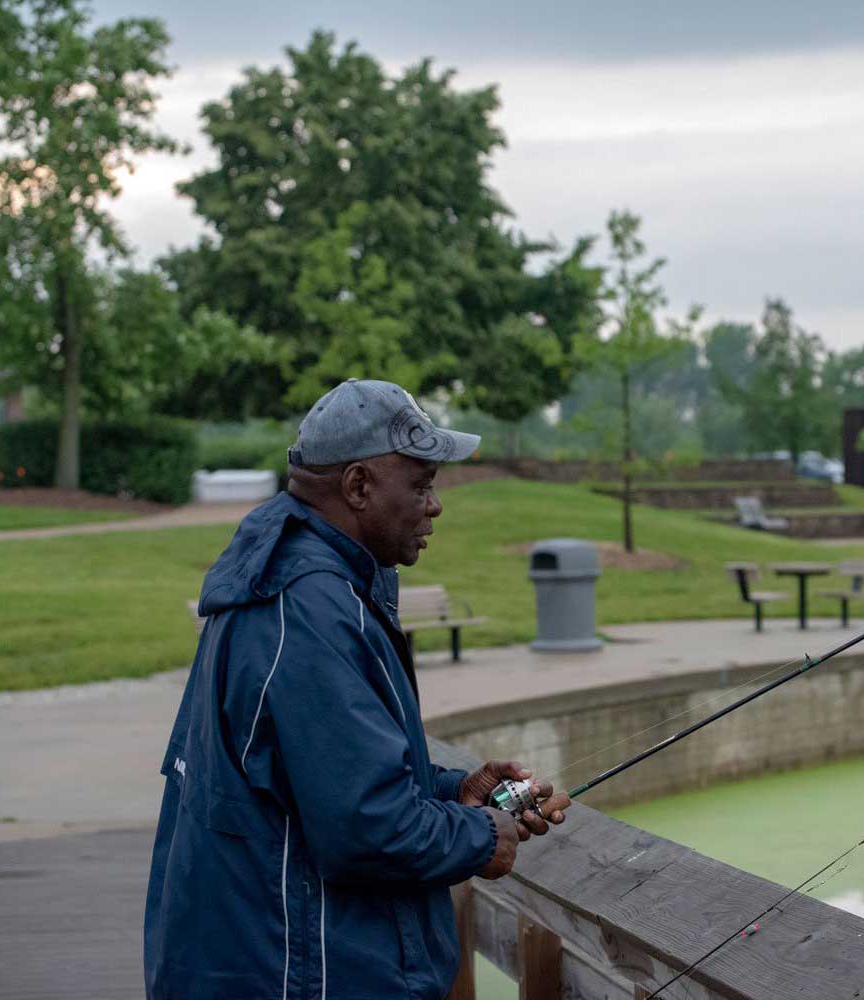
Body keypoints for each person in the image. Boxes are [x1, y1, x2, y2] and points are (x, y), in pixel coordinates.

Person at [144, 379, 569, 999]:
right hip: (293, 975)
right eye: (421, 484)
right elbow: (365, 829)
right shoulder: (307, 610)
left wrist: (452, 788)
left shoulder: (308, 582)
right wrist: (484, 836)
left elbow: (322, 778)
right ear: (359, 486)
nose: (435, 506)